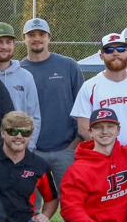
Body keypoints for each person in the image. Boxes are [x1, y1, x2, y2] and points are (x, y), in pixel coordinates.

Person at [17, 17, 82, 186]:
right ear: (24, 38)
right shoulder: (18, 70)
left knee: (71, 203)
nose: (37, 38)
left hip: (66, 150)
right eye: (31, 34)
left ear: (49, 37)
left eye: (41, 34)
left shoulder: (68, 66)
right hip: (31, 150)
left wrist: (74, 144)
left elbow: (83, 106)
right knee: (30, 204)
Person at [70, 32, 127, 148]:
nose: (115, 53)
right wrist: (107, 151)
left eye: (121, 49)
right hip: (101, 157)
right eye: (109, 49)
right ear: (101, 55)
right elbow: (83, 128)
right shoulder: (89, 86)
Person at [0, 22, 41, 145]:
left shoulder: (25, 77)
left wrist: (28, 147)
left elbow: (34, 117)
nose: (4, 46)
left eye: (9, 42)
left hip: (16, 147)